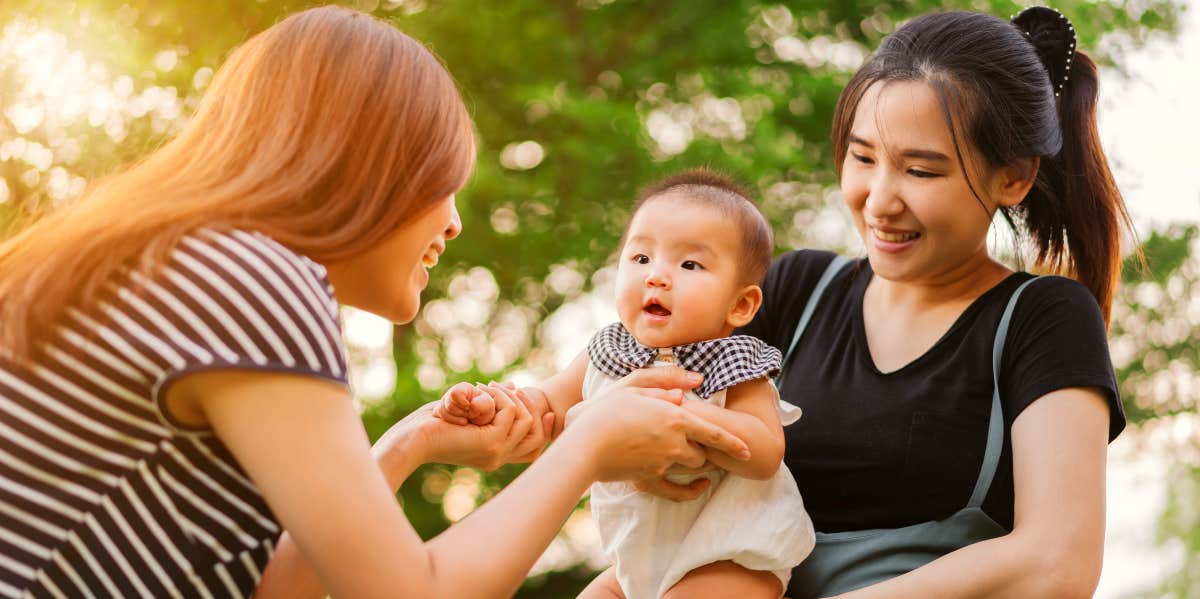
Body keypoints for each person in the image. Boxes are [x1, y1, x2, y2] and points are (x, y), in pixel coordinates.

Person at [0, 7, 754, 598]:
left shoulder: (190, 265)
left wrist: (407, 444)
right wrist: (585, 448)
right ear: (362, 164)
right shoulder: (251, 278)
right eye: (442, 178)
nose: (455, 221)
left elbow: (265, 593)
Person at [733, 7, 1129, 598]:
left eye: (920, 170)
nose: (880, 201)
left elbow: (1057, 562)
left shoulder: (1042, 320)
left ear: (1014, 177)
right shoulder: (796, 289)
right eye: (863, 157)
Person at [437, 170, 815, 598]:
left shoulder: (737, 362)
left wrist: (680, 412)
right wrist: (496, 404)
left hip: (729, 555)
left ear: (741, 303)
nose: (657, 276)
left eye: (689, 264)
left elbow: (765, 451)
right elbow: (546, 410)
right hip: (632, 565)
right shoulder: (609, 351)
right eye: (641, 259)